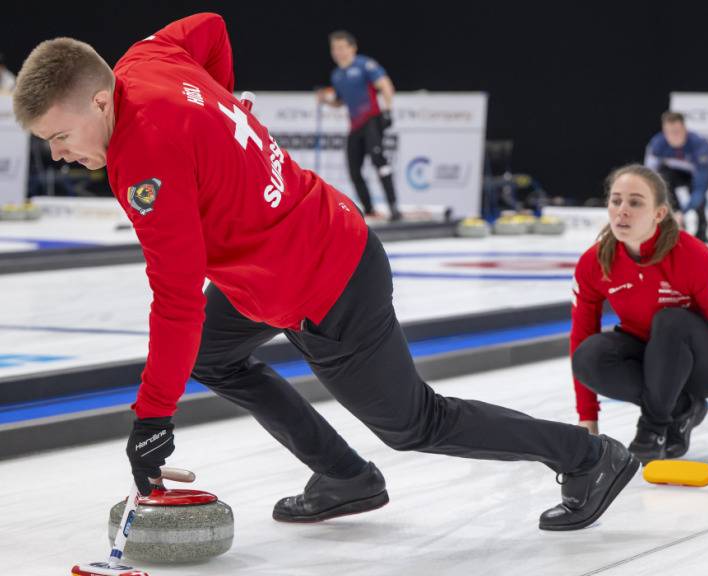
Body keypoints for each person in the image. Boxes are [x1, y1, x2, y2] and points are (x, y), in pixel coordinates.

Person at [13, 13, 637, 532]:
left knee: (416, 423)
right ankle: (344, 475)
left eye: (60, 135)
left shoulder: (142, 162)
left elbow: (177, 300)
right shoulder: (145, 59)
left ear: (101, 100)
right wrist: (223, 114)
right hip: (295, 254)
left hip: (330, 285)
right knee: (210, 356)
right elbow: (210, 25)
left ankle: (589, 456)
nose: (58, 153)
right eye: (47, 142)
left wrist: (152, 418)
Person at [569, 164, 708, 472]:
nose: (622, 210)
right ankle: (682, 409)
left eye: (635, 202)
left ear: (659, 213)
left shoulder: (693, 257)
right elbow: (581, 335)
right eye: (616, 201)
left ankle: (653, 428)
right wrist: (588, 421)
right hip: (651, 356)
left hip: (705, 367)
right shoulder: (594, 262)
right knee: (588, 356)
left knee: (671, 321)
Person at [315, 30, 401, 221]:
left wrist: (387, 111)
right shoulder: (337, 75)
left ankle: (394, 207)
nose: (338, 52)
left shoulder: (364, 65)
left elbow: (385, 85)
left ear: (352, 48)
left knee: (379, 162)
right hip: (355, 126)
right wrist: (325, 100)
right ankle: (369, 210)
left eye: (342, 47)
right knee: (353, 169)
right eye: (334, 48)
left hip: (372, 120)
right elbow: (340, 101)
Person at [643, 112, 708, 243]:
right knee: (661, 180)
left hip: (705, 171)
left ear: (684, 129)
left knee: (697, 197)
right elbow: (649, 176)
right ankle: (677, 222)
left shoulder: (699, 144)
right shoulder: (657, 144)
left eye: (676, 131)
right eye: (668, 132)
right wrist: (673, 212)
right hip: (677, 171)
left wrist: (683, 212)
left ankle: (702, 229)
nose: (673, 136)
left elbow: (699, 189)